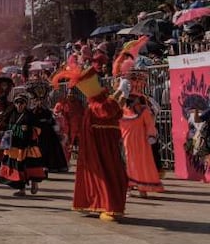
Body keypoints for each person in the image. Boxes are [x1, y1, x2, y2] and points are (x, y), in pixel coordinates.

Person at [68, 68, 127, 221]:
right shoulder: (95, 105)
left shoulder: (100, 102)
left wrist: (122, 94)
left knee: (115, 175)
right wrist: (120, 91)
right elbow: (108, 110)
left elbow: (116, 111)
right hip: (101, 149)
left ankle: (105, 205)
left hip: (109, 145)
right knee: (108, 175)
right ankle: (108, 206)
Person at [118, 79, 164, 199]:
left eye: (136, 98)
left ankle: (142, 189)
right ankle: (128, 187)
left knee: (141, 164)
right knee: (127, 164)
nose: (134, 100)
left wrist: (151, 136)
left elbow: (150, 125)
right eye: (132, 97)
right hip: (126, 143)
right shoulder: (122, 111)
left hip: (142, 144)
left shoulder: (144, 111)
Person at [0, 92, 46, 196]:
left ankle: (34, 183)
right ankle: (22, 189)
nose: (20, 105)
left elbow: (38, 130)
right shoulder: (10, 114)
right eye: (17, 102)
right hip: (15, 146)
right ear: (14, 103)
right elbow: (3, 126)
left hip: (28, 147)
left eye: (22, 102)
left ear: (26, 104)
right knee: (18, 168)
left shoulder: (30, 115)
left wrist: (29, 130)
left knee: (30, 167)